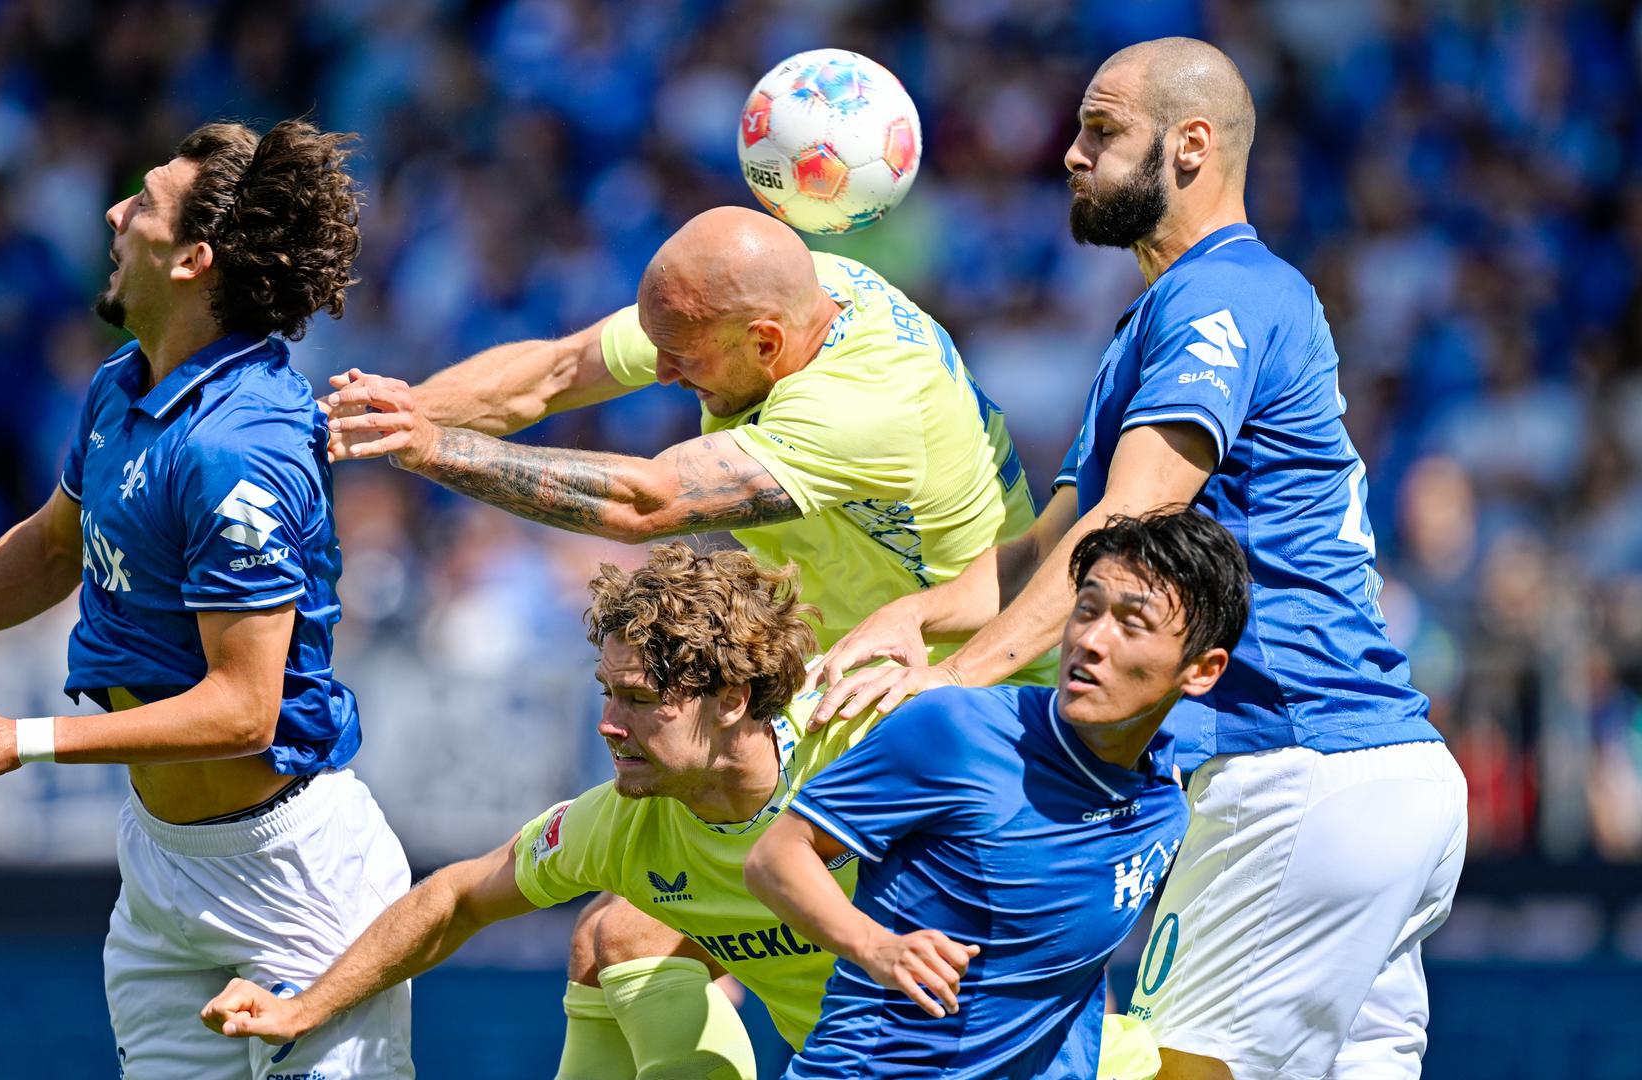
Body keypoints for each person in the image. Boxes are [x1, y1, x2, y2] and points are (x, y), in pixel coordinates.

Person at [813, 38, 1468, 1080]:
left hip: (1291, 764)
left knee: (1163, 1070)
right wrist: (921, 616)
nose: (1071, 153)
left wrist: (958, 681)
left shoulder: (1225, 296)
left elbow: (1129, 520)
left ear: (1191, 145)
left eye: (1102, 130)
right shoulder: (1160, 318)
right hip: (1378, 772)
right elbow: (1052, 542)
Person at [323, 203, 1056, 1073]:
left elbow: (648, 504)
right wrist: (367, 425)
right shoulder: (770, 301)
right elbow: (555, 374)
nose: (663, 373)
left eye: (684, 356)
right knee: (617, 940)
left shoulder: (866, 407)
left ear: (768, 344)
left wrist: (436, 449)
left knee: (950, 1015)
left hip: (966, 717)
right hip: (848, 697)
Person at [0, 120, 414, 1080]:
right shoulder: (123, 386)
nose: (114, 213)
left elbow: (246, 710)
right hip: (162, 869)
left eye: (143, 202)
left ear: (195, 259)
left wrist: (17, 740)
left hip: (296, 885)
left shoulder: (237, 447)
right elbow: (50, 548)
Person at [199, 544, 1157, 1080]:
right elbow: (455, 897)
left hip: (1053, 1064)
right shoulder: (628, 821)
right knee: (617, 935)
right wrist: (303, 1007)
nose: (608, 724)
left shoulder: (877, 742)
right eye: (604, 691)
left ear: (731, 699)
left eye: (638, 697)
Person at [748, 509, 1245, 1078]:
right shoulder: (954, 729)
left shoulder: (1164, 803)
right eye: (1085, 609)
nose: (1090, 641)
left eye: (1132, 623)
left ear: (1202, 671)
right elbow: (775, 857)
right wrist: (876, 946)